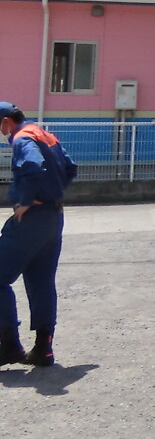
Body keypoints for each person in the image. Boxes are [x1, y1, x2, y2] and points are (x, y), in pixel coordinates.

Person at [0, 104, 76, 368]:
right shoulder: (43, 134)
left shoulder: (22, 138)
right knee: (41, 281)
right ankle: (43, 349)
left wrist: (26, 201)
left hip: (31, 221)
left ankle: (10, 346)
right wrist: (52, 194)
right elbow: (70, 167)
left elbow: (32, 166)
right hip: (53, 218)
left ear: (6, 122)